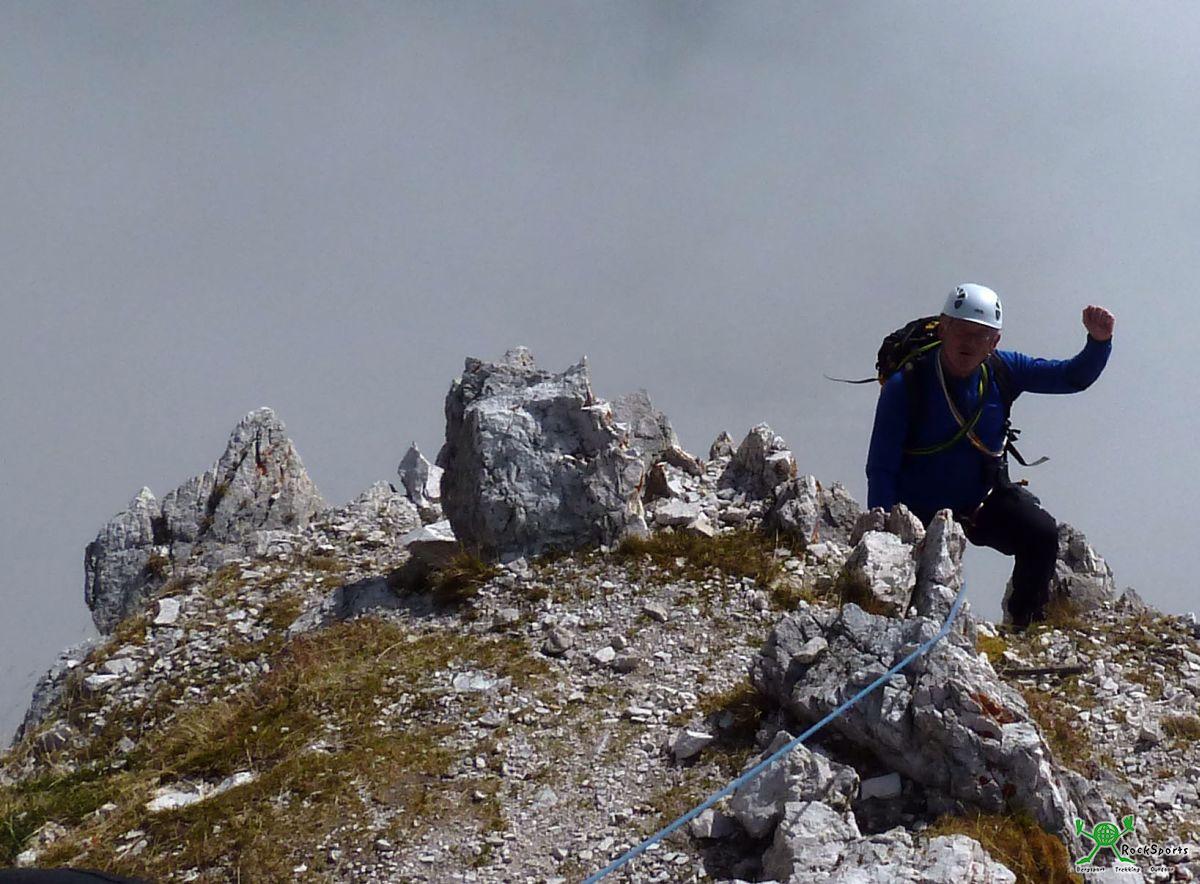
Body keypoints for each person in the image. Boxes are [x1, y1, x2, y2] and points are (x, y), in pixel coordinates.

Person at [865, 283, 1114, 628]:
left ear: (994, 341)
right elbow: (882, 467)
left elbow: (1071, 377)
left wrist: (1098, 343)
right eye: (961, 330)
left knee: (1041, 534)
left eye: (980, 335)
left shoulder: (1002, 371)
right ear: (943, 328)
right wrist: (882, 530)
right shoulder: (907, 385)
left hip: (980, 502)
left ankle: (1024, 624)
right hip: (916, 513)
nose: (968, 342)